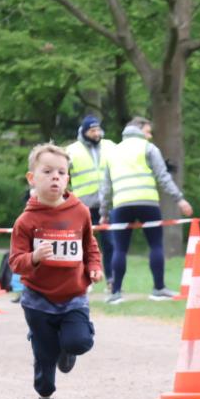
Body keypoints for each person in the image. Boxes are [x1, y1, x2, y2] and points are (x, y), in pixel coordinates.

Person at [10, 143, 102, 399]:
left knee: (78, 342)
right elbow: (15, 262)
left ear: (68, 179)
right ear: (32, 178)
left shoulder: (80, 212)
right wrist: (34, 258)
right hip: (37, 299)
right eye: (47, 171)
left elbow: (90, 247)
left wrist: (95, 268)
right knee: (44, 354)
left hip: (73, 295)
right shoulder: (26, 221)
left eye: (62, 172)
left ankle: (68, 346)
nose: (55, 177)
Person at [100, 116, 193, 304]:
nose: (149, 136)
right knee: (156, 245)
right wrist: (179, 199)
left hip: (121, 205)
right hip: (147, 203)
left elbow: (105, 187)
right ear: (139, 128)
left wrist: (103, 213)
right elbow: (163, 177)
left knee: (120, 249)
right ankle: (158, 289)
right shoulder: (149, 148)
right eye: (148, 131)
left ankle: (115, 293)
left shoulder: (112, 153)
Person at [66, 115, 113, 286]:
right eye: (92, 130)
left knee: (110, 244)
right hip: (83, 206)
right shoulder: (72, 150)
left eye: (98, 129)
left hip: (106, 205)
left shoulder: (110, 146)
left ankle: (111, 280)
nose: (96, 133)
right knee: (83, 245)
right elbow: (61, 173)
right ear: (84, 132)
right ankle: (85, 279)